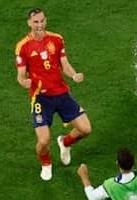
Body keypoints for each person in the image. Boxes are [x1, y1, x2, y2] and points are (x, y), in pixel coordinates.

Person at [15, 8, 93, 181]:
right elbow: (20, 75)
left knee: (86, 129)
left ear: (46, 20)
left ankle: (65, 143)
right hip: (41, 98)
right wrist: (24, 82)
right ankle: (46, 163)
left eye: (42, 20)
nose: (40, 24)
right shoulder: (23, 46)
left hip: (62, 93)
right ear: (29, 23)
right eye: (36, 21)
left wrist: (73, 75)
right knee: (43, 141)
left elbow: (64, 64)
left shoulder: (56, 39)